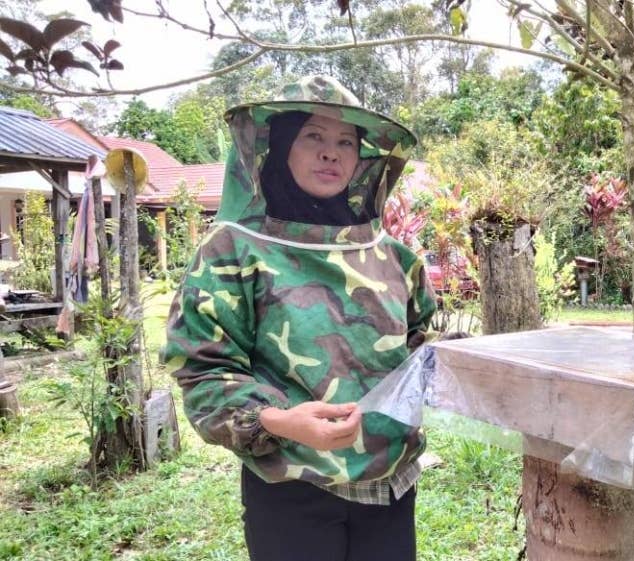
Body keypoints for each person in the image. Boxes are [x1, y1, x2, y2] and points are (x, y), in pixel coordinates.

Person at [161, 76, 437, 561]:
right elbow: (203, 371)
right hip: (290, 487)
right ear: (281, 145)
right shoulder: (232, 250)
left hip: (390, 483)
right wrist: (279, 421)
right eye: (313, 136)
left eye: (345, 142)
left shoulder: (394, 257)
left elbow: (419, 350)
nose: (331, 153)